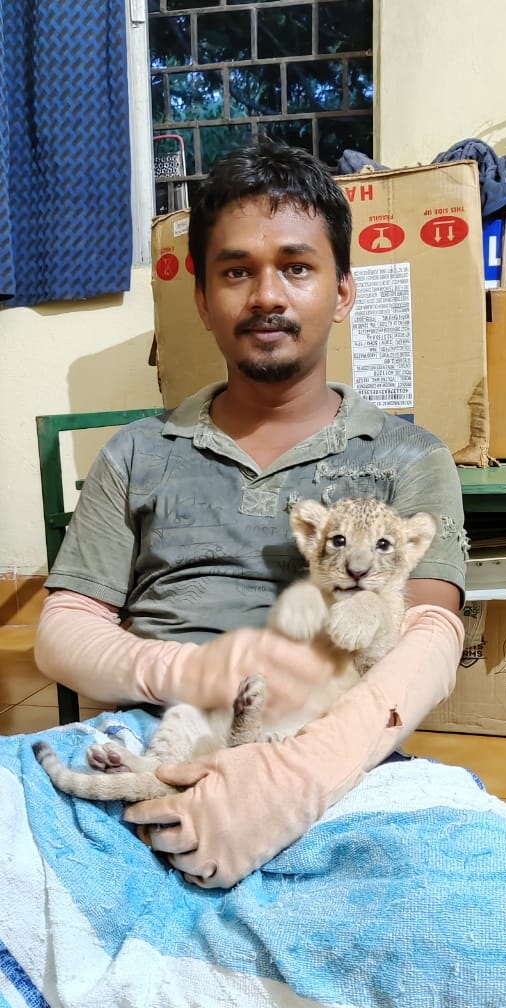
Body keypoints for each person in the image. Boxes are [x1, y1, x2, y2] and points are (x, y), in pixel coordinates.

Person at [34, 138, 467, 889]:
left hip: (340, 754)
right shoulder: (139, 452)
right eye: (237, 272)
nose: (267, 295)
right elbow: (61, 633)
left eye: (297, 268)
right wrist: (191, 669)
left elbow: (429, 637)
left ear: (343, 292)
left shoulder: (409, 457)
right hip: (158, 728)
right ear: (203, 300)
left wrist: (294, 778)